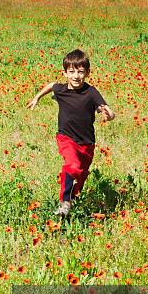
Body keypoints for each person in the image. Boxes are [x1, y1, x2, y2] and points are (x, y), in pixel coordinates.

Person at [26, 49, 115, 216]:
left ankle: (71, 201)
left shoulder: (91, 92)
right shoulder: (62, 89)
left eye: (81, 72)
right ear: (65, 73)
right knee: (72, 166)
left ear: (87, 73)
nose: (76, 76)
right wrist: (37, 97)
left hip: (87, 144)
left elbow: (109, 112)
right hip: (66, 138)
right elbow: (52, 85)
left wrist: (109, 115)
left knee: (80, 177)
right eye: (72, 72)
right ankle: (64, 203)